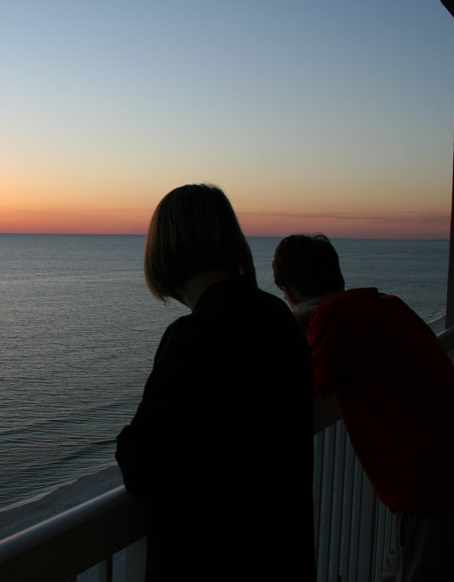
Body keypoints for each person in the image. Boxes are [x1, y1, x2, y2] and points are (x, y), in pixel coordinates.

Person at [273, 233, 454, 582]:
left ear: (288, 290)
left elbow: (290, 394)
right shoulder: (385, 305)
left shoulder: (335, 319)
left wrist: (292, 320)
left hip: (440, 507)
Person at [115, 184, 315, 581]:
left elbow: (141, 465)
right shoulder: (276, 317)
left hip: (213, 559)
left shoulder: (194, 336)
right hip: (282, 553)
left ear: (165, 249)